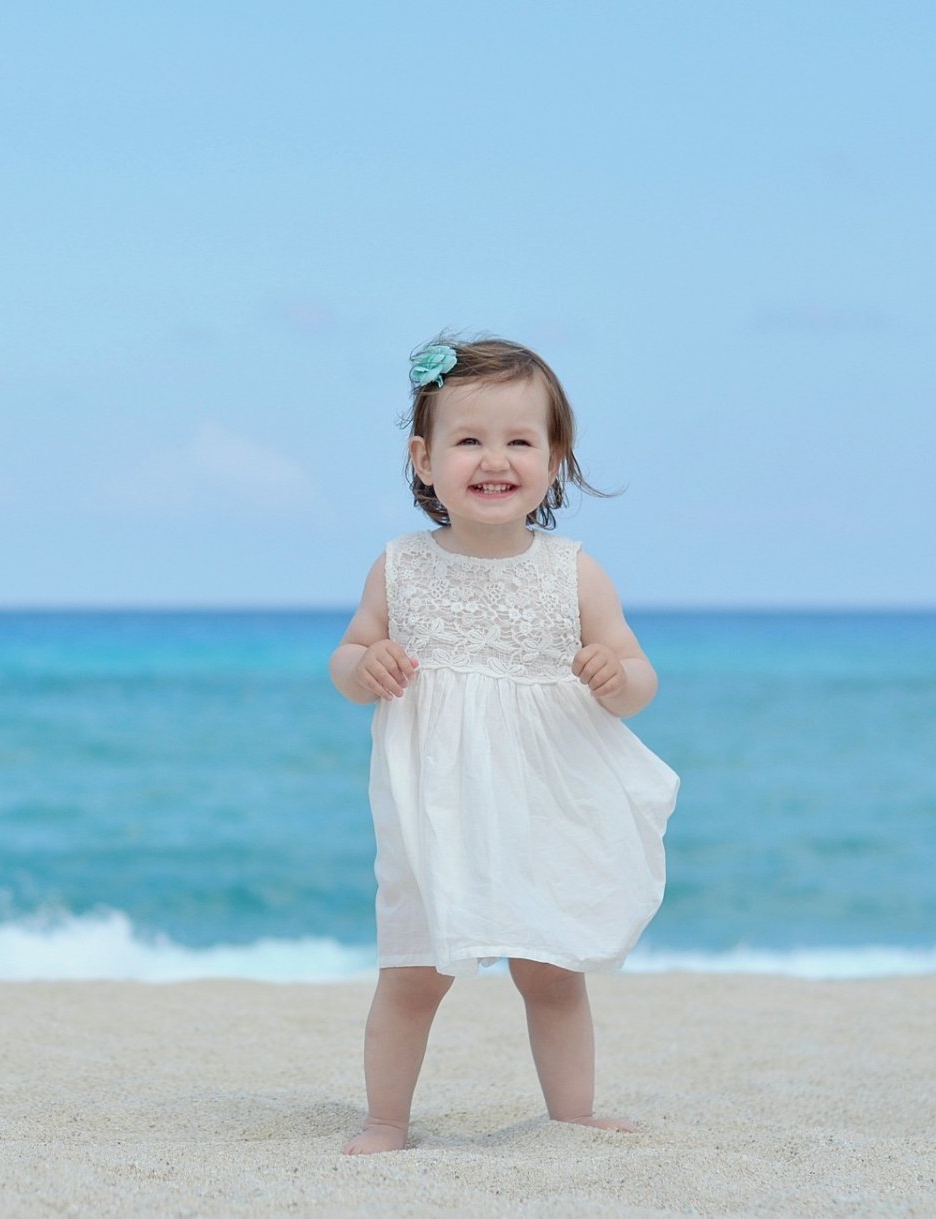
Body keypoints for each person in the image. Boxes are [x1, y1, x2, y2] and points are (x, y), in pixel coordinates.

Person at [329, 335, 680, 1155]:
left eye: (520, 440)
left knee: (551, 969)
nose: (495, 459)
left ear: (555, 460)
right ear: (424, 459)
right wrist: (366, 664)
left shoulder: (573, 573)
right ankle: (386, 1118)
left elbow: (639, 676)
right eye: (468, 440)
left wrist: (612, 675)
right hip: (436, 801)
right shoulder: (399, 568)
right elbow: (347, 657)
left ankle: (571, 1116)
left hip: (545, 794)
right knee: (414, 968)